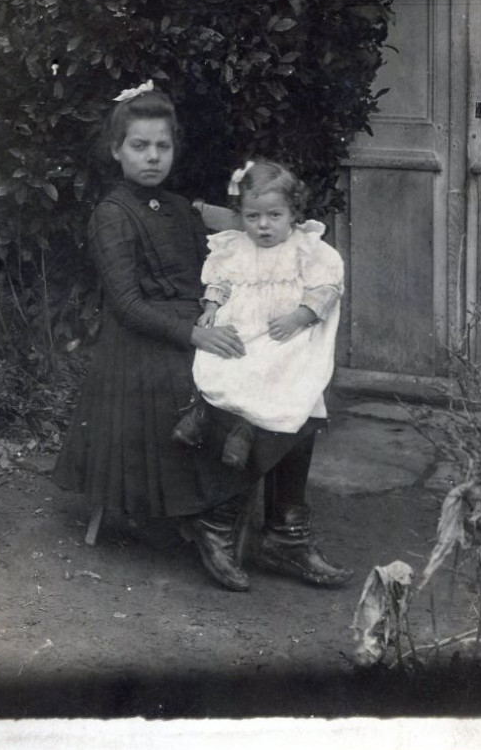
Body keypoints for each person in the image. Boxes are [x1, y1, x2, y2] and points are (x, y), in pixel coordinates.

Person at [54, 83, 351, 593]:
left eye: (162, 147)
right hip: (143, 344)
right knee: (233, 385)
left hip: (198, 323)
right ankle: (214, 520)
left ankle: (285, 533)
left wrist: (265, 216)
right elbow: (126, 305)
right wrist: (196, 334)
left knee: (294, 376)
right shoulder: (112, 213)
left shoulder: (176, 207)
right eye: (139, 146)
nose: (152, 157)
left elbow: (244, 230)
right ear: (116, 150)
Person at [176, 161, 344, 478]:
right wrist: (211, 306)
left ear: (293, 212)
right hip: (242, 326)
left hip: (281, 331)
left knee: (274, 369)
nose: (263, 226)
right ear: (241, 215)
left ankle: (247, 430)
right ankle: (204, 412)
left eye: (274, 216)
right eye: (253, 217)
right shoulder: (235, 247)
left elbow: (326, 288)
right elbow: (220, 280)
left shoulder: (306, 248)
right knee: (220, 360)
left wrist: (300, 315)